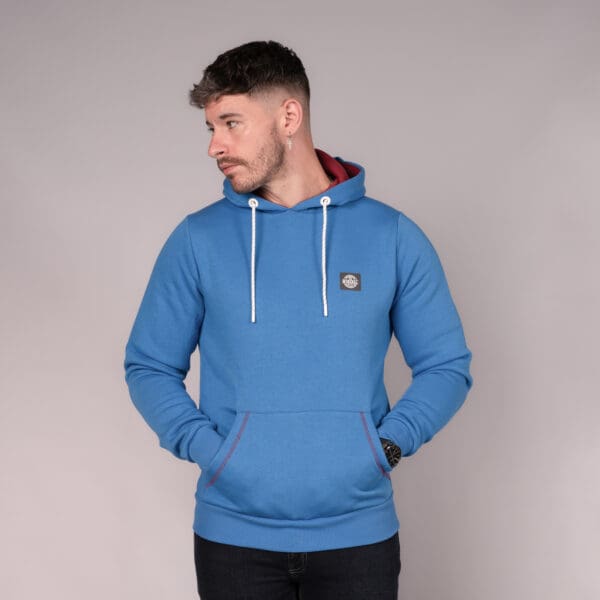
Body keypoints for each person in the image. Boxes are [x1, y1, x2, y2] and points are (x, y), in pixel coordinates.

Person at [124, 40, 473, 600]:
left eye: (231, 123)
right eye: (211, 128)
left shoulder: (391, 236)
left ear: (289, 116)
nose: (215, 146)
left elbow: (446, 366)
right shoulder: (197, 240)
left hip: (359, 537)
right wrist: (212, 452)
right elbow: (148, 365)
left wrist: (384, 447)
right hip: (232, 539)